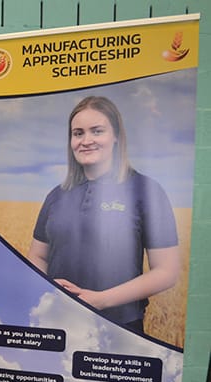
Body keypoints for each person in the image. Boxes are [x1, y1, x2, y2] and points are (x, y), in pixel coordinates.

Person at [27, 96, 180, 332]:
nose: (86, 140)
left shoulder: (146, 191)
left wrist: (100, 300)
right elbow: (38, 256)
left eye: (97, 131)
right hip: (57, 323)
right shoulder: (56, 195)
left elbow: (167, 271)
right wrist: (48, 292)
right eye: (78, 133)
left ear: (116, 136)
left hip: (120, 330)